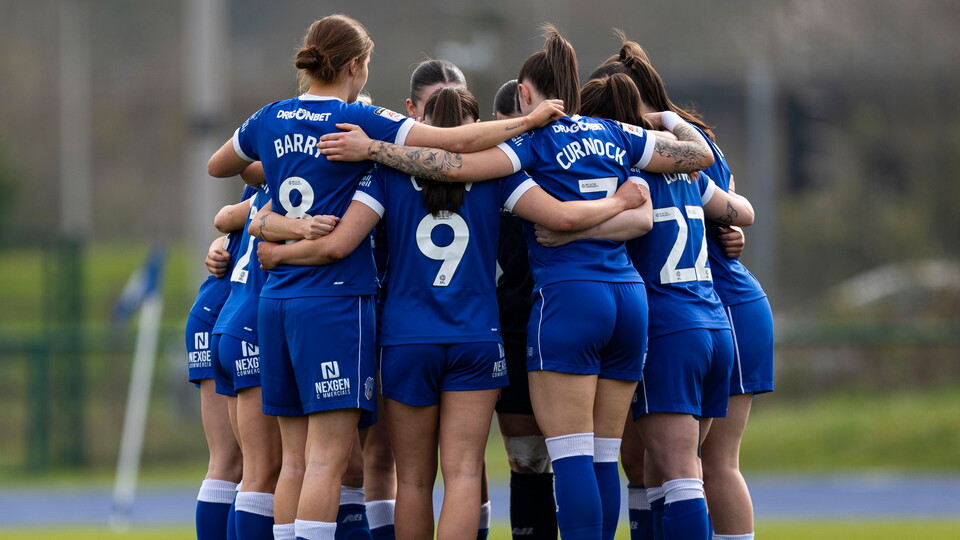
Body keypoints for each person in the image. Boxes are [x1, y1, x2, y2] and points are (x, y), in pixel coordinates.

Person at [317, 24, 715, 540]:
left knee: (532, 461)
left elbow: (452, 166)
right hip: (622, 300)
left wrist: (375, 149)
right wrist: (666, 120)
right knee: (598, 455)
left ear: (524, 94)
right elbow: (699, 156)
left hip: (551, 305)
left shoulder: (525, 147)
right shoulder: (616, 134)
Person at [206, 14, 564, 540]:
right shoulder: (369, 125)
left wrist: (274, 228)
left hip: (300, 307)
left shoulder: (277, 119)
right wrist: (530, 125)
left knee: (311, 465)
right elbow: (458, 149)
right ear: (355, 65)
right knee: (442, 470)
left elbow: (222, 167)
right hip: (364, 308)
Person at [255, 85, 646, 540]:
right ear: (474, 128)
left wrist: (277, 245)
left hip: (406, 339)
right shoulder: (499, 175)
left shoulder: (386, 173)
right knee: (463, 473)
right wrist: (621, 199)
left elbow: (339, 242)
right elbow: (560, 215)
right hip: (476, 337)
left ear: (422, 125)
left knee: (413, 481)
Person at [540, 72, 756, 540]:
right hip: (714, 324)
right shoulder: (688, 174)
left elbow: (635, 224)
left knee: (680, 473)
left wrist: (569, 232)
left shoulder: (631, 175)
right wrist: (670, 121)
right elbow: (743, 212)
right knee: (669, 469)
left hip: (669, 329)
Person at [591, 40, 775, 540]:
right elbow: (738, 211)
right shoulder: (683, 146)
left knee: (703, 465)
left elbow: (648, 220)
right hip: (703, 309)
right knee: (651, 458)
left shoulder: (653, 156)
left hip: (710, 306)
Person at [491, 79, 558, 540]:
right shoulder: (489, 168)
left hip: (566, 317)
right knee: (527, 458)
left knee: (578, 455)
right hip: (514, 323)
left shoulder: (564, 163)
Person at [210, 181, 282, 540]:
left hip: (227, 318)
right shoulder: (300, 178)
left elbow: (226, 217)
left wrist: (219, 242)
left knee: (244, 468)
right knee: (263, 470)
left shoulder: (271, 184)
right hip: (252, 323)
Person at [187, 187, 251, 540]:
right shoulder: (289, 164)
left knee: (235, 464)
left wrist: (222, 238)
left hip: (219, 308)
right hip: (232, 310)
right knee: (254, 466)